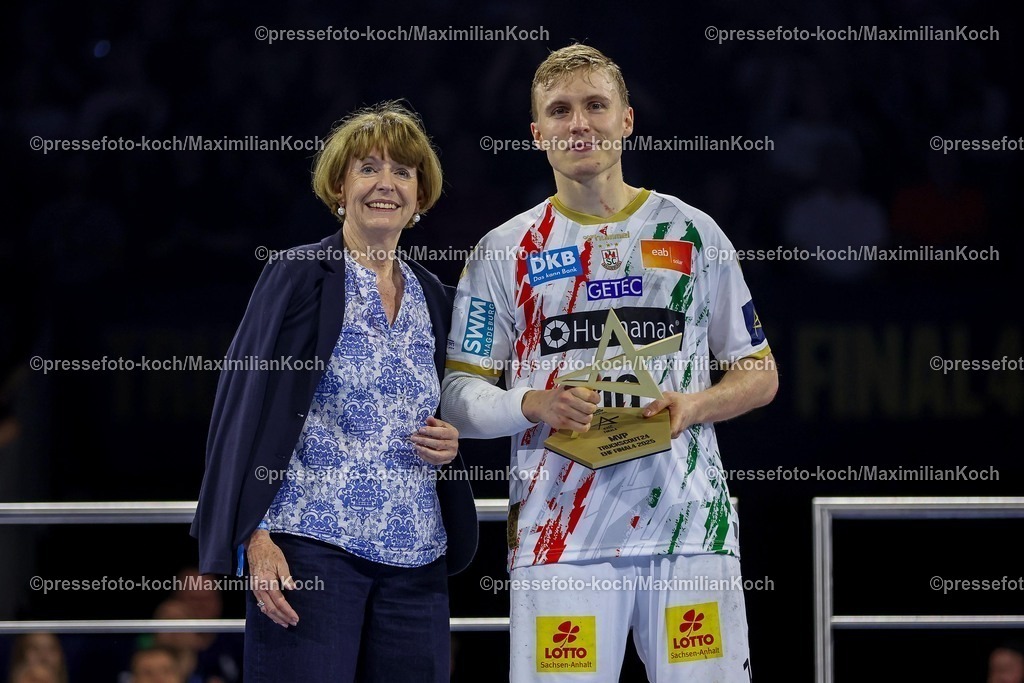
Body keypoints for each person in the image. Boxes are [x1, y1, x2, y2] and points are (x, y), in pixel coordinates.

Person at [440, 45, 778, 681]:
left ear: (627, 119)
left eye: (596, 106)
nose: (579, 124)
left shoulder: (693, 233)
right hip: (558, 536)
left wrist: (695, 405)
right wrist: (529, 403)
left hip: (687, 528)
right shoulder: (503, 252)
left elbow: (760, 372)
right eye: (561, 111)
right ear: (537, 133)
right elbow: (459, 397)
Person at [190, 101, 478, 681]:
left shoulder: (437, 296)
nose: (385, 184)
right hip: (308, 548)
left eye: (402, 172)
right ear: (338, 187)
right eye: (368, 168)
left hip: (417, 557)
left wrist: (454, 437)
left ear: (419, 196)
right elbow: (240, 407)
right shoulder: (297, 275)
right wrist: (253, 535)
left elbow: (455, 404)